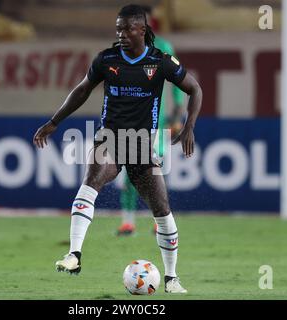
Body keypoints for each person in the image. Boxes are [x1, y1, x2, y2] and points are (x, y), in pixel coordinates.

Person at [33, 4, 202, 294]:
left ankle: (171, 278)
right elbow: (82, 90)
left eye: (127, 28)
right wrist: (53, 122)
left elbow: (194, 89)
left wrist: (189, 126)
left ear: (142, 30)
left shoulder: (160, 61)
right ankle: (74, 255)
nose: (121, 34)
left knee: (162, 210)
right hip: (109, 138)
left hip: (142, 144)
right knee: (91, 181)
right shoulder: (106, 59)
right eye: (118, 29)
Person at [117, 5, 185, 236]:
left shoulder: (163, 48)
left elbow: (179, 84)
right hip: (128, 124)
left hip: (155, 123)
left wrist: (177, 114)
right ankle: (128, 222)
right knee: (129, 172)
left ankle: (160, 222)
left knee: (155, 172)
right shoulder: (121, 52)